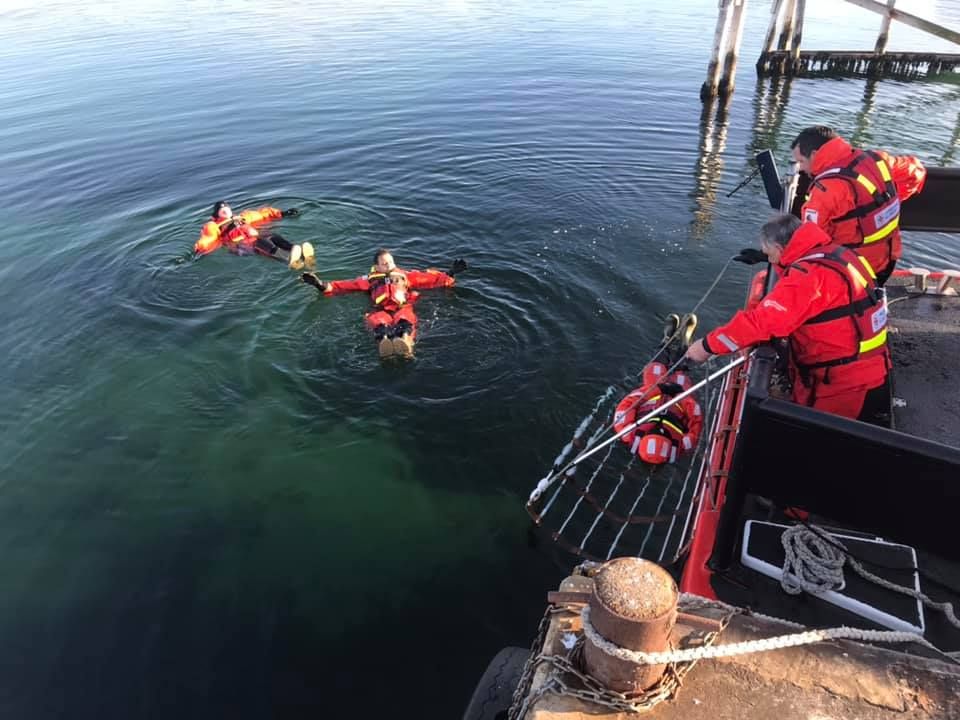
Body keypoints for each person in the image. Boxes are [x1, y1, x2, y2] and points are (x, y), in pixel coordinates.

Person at [685, 214, 890, 421]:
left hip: (842, 380)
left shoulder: (807, 278)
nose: (768, 258)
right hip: (864, 361)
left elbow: (761, 323)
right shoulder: (838, 253)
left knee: (819, 429)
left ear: (780, 248)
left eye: (769, 253)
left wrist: (706, 347)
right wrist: (770, 258)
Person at [791, 126, 926, 286]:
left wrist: (779, 258)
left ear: (814, 154)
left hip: (852, 271)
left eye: (801, 161)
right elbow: (915, 171)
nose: (801, 168)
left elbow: (811, 243)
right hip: (888, 258)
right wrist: (888, 201)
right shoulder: (877, 159)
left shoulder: (824, 191)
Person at [301, 249, 467, 359]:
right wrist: (318, 284)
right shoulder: (368, 280)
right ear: (376, 266)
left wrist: (451, 273)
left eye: (391, 262)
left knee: (405, 321)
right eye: (385, 263)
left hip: (402, 306)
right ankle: (384, 343)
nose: (389, 265)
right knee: (379, 324)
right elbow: (341, 286)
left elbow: (429, 279)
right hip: (380, 309)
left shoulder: (405, 276)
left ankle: (406, 342)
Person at [614, 314, 703, 465]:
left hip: (652, 392)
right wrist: (681, 396)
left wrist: (658, 389)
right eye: (664, 434)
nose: (659, 428)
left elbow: (627, 403)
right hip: (679, 399)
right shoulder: (684, 444)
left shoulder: (627, 433)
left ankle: (666, 341)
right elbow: (696, 417)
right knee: (681, 371)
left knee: (655, 367)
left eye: (654, 431)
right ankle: (685, 343)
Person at [193, 201, 314, 269]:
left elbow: (262, 214)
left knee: (272, 236)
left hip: (255, 236)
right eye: (221, 210)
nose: (225, 209)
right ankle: (287, 259)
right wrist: (200, 249)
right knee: (260, 243)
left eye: (226, 208)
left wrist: (282, 213)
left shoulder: (242, 217)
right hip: (241, 244)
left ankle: (294, 250)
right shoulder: (214, 226)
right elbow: (208, 238)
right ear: (216, 214)